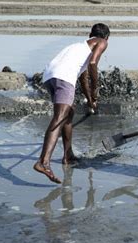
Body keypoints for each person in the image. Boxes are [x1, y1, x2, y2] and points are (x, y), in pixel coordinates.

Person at [33, 23, 110, 184]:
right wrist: (96, 90)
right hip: (64, 77)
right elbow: (93, 64)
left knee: (69, 114)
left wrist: (90, 100)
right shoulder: (102, 42)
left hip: (49, 76)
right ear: (105, 37)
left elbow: (82, 78)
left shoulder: (78, 48)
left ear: (90, 34)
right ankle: (43, 162)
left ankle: (68, 155)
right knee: (60, 117)